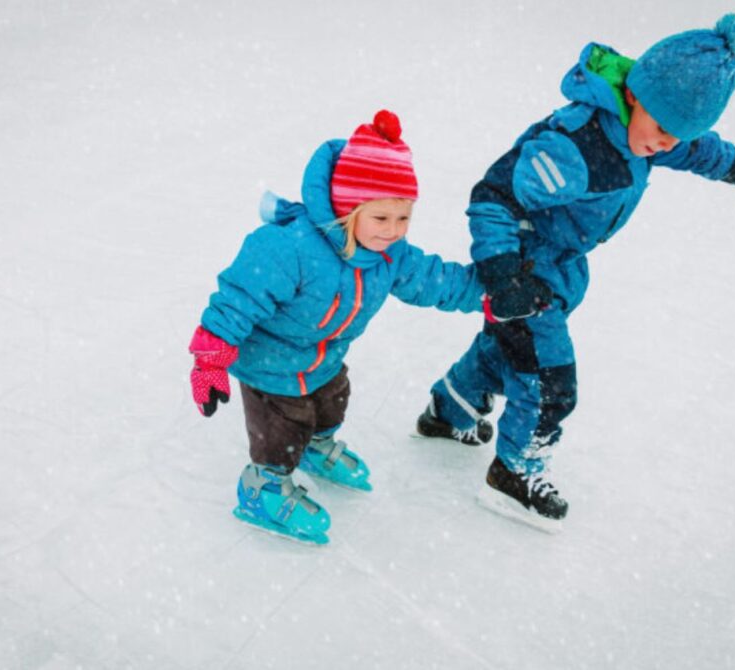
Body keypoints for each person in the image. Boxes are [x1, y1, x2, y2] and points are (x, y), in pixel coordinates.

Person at [415, 14, 735, 532]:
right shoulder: (577, 147)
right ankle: (514, 474)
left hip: (558, 266)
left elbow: (697, 148)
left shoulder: (647, 132)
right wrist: (503, 273)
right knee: (549, 378)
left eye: (677, 137)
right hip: (526, 269)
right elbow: (494, 196)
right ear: (636, 96)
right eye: (661, 131)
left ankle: (449, 408)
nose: (665, 146)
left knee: (511, 347)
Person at [189, 110, 539, 545]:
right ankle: (263, 485)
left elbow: (434, 280)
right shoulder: (289, 247)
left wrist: (490, 294)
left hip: (324, 356)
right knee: (283, 427)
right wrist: (210, 360)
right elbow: (237, 300)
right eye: (381, 218)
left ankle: (317, 448)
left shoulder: (389, 254)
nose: (393, 231)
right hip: (271, 363)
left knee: (332, 401)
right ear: (347, 209)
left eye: (403, 217)